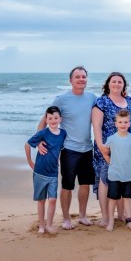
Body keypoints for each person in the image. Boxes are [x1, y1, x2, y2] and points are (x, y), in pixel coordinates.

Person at [37, 66, 97, 229]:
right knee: (67, 185)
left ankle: (83, 216)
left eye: (84, 76)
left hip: (87, 148)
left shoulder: (92, 97)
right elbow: (45, 120)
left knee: (85, 184)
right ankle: (66, 219)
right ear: (70, 80)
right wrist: (39, 140)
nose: (81, 79)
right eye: (77, 77)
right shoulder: (61, 99)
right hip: (69, 150)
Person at [90, 72, 131, 228]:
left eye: (120, 82)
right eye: (114, 81)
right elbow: (96, 125)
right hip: (107, 148)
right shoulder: (102, 102)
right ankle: (105, 217)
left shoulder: (129, 101)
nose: (117, 84)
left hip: (127, 148)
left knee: (124, 179)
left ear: (124, 85)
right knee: (106, 181)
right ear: (108, 84)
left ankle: (122, 214)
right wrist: (100, 145)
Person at [25, 106, 66, 235]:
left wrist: (59, 159)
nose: (53, 120)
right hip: (40, 172)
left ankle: (49, 225)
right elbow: (27, 144)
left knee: (53, 199)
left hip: (53, 172)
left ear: (60, 119)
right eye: (50, 118)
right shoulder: (43, 133)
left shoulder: (63, 133)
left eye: (56, 118)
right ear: (46, 120)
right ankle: (41, 226)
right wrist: (30, 162)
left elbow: (60, 149)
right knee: (41, 200)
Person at [101, 109, 131, 232]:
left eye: (125, 122)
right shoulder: (111, 138)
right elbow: (105, 152)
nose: (123, 124)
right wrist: (110, 162)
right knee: (113, 199)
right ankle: (111, 221)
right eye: (120, 122)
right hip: (114, 174)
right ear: (116, 124)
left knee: (127, 198)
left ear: (129, 124)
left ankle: (129, 220)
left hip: (128, 175)